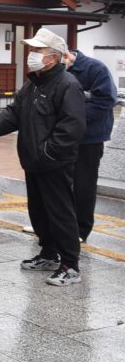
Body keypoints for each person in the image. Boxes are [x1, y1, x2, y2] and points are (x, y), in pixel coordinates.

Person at [0, 28, 86, 286]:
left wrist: (48, 152)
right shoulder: (33, 84)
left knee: (60, 213)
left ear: (53, 58)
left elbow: (72, 127)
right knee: (39, 212)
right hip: (33, 161)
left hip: (54, 163)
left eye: (37, 50)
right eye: (32, 49)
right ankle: (48, 253)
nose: (31, 55)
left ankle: (70, 265)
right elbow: (13, 114)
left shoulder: (68, 85)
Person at [66, 48, 116, 242]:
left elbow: (106, 100)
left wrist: (72, 117)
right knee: (59, 183)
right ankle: (55, 225)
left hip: (89, 138)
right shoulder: (57, 69)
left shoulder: (95, 68)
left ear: (64, 55)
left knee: (83, 184)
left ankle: (80, 230)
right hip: (63, 136)